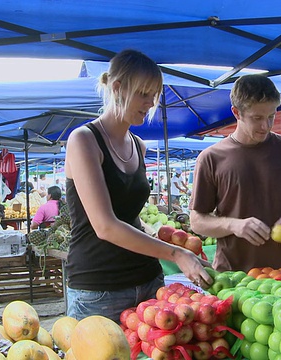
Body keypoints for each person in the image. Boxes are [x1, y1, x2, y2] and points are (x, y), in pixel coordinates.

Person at [63, 49, 212, 322]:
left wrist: (182, 253)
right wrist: (176, 253)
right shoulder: (84, 140)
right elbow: (105, 226)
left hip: (147, 279)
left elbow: (130, 219)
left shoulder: (138, 145)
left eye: (154, 95)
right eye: (143, 93)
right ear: (118, 88)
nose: (150, 102)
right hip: (98, 288)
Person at [189, 74, 281, 272]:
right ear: (236, 112)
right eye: (257, 118)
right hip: (232, 276)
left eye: (271, 116)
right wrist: (234, 225)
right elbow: (197, 221)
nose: (265, 126)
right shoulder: (212, 157)